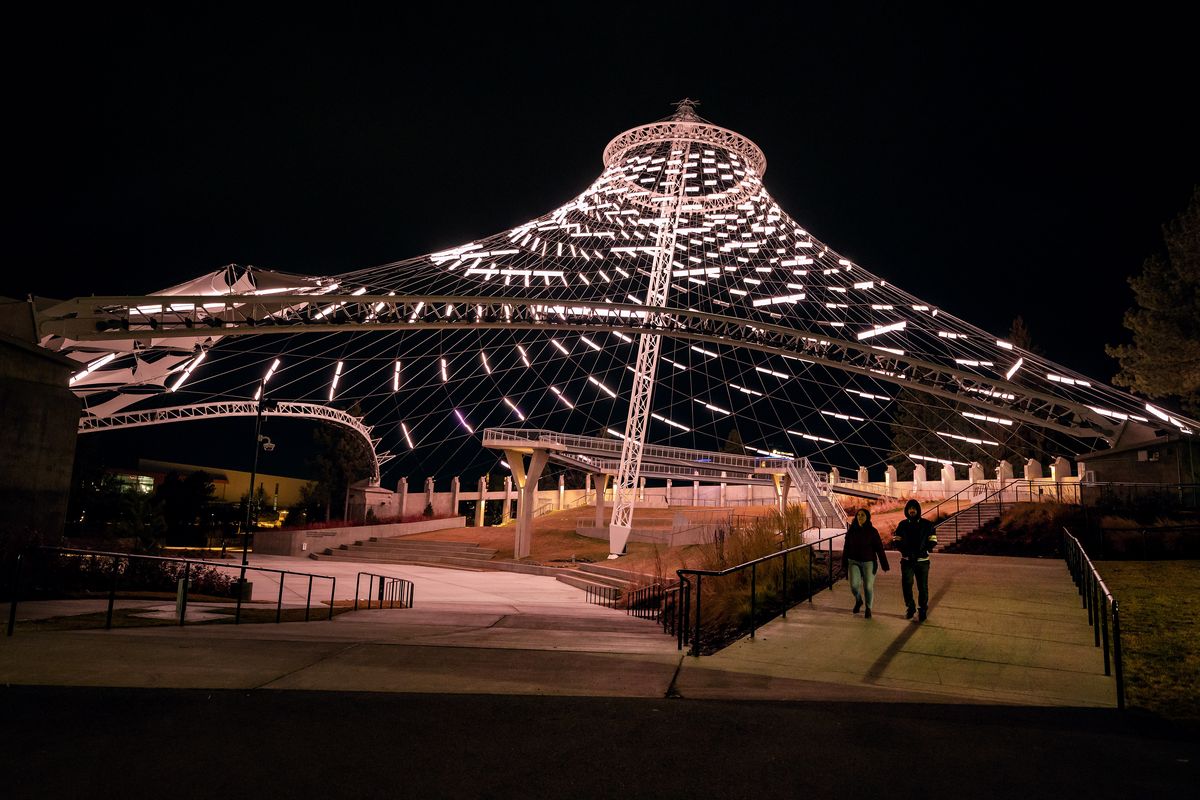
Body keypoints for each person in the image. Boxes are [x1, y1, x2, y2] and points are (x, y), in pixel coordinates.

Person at [892, 499, 937, 621]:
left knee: (922, 587)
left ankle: (922, 610)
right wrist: (905, 552)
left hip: (922, 561)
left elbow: (933, 540)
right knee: (906, 585)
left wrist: (922, 551)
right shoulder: (902, 525)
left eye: (914, 508)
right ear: (907, 511)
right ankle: (910, 607)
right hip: (907, 561)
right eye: (909, 508)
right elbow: (896, 540)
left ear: (918, 510)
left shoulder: (927, 525)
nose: (912, 510)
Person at [841, 508, 889, 619]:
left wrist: (884, 564)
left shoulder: (872, 531)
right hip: (853, 562)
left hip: (869, 562)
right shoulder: (851, 531)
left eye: (862, 515)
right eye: (858, 515)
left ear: (867, 517)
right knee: (854, 586)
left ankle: (868, 608)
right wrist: (844, 563)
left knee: (868, 586)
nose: (860, 517)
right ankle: (858, 601)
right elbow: (846, 548)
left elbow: (879, 549)